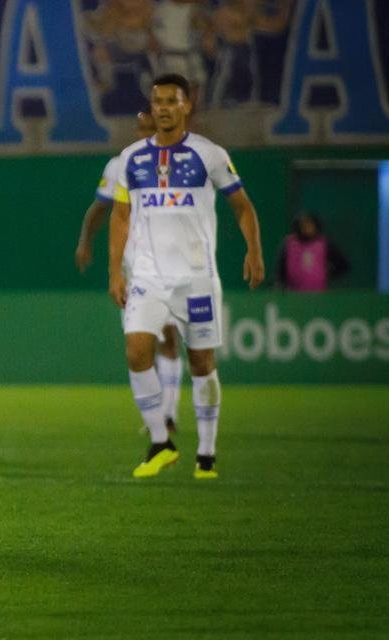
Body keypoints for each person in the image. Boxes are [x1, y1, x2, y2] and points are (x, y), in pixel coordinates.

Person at [108, 73, 264, 480]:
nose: (162, 107)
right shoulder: (132, 158)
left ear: (186, 105)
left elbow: (243, 206)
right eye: (156, 100)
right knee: (136, 351)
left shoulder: (209, 154)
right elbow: (120, 215)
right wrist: (115, 272)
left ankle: (207, 454)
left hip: (195, 278)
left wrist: (254, 250)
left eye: (170, 101)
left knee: (202, 362)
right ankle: (161, 442)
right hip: (148, 276)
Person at [76, 112, 186, 432]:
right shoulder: (119, 165)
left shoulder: (180, 163)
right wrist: (86, 241)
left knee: (169, 337)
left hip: (169, 262)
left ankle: (170, 413)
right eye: (141, 128)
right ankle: (155, 414)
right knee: (141, 344)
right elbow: (100, 209)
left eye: (150, 129)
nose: (144, 134)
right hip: (133, 264)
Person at [275, 212, 349, 291]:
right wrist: (280, 283)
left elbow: (343, 264)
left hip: (318, 293)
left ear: (316, 226)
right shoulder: (289, 244)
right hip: (293, 293)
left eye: (310, 225)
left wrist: (327, 274)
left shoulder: (324, 243)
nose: (306, 228)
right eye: (303, 226)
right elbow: (281, 268)